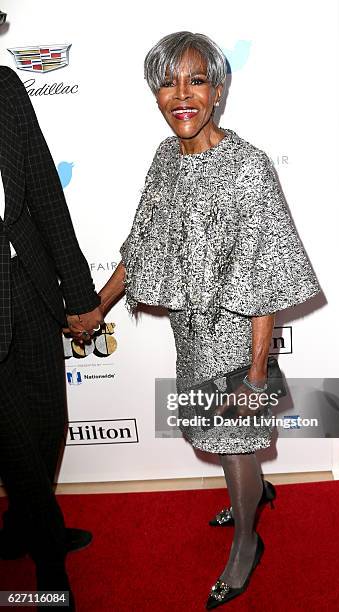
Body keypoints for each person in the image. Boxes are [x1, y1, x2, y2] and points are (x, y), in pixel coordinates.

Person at [98, 31, 322, 609]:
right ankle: (256, 491)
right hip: (190, 336)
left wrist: (254, 377)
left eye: (196, 80)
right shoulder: (163, 158)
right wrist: (98, 306)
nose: (181, 94)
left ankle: (247, 542)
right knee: (225, 441)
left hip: (238, 338)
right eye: (168, 82)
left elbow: (268, 272)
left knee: (235, 439)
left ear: (218, 91)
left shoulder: (248, 166)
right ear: (154, 93)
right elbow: (142, 244)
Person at [0, 66, 104, 608]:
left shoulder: (7, 88)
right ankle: (47, 555)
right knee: (14, 443)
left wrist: (80, 291)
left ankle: (21, 526)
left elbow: (42, 187)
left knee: (47, 424)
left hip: (29, 286)